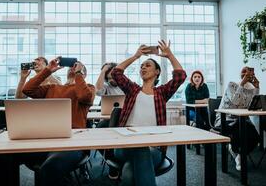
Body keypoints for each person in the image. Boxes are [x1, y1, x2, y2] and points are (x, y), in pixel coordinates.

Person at [111, 40, 186, 186]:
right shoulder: (133, 90)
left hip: (154, 147)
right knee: (140, 148)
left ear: (157, 72)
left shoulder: (162, 93)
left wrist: (169, 55)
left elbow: (180, 76)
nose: (143, 67)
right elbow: (116, 72)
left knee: (128, 173)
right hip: (125, 145)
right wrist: (136, 56)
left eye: (148, 65)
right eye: (141, 66)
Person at [22, 58, 95, 186]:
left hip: (73, 142)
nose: (73, 68)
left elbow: (84, 96)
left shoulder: (89, 88)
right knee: (1, 155)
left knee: (50, 167)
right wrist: (48, 70)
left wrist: (78, 75)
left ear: (84, 75)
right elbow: (27, 90)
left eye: (78, 67)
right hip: (47, 138)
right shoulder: (53, 88)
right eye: (72, 67)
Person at [215, 66, 260, 171]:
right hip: (225, 119)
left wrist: (257, 87)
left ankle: (239, 154)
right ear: (240, 73)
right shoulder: (232, 85)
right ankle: (236, 151)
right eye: (243, 71)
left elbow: (253, 104)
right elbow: (235, 101)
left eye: (248, 72)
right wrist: (242, 84)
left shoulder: (251, 89)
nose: (246, 74)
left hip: (242, 120)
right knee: (238, 132)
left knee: (255, 136)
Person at [95, 62, 124, 179]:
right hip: (110, 120)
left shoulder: (126, 85)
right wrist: (103, 71)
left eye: (113, 76)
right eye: (109, 77)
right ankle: (112, 162)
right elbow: (98, 91)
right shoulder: (106, 87)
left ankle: (119, 161)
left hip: (126, 119)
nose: (111, 79)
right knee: (98, 132)